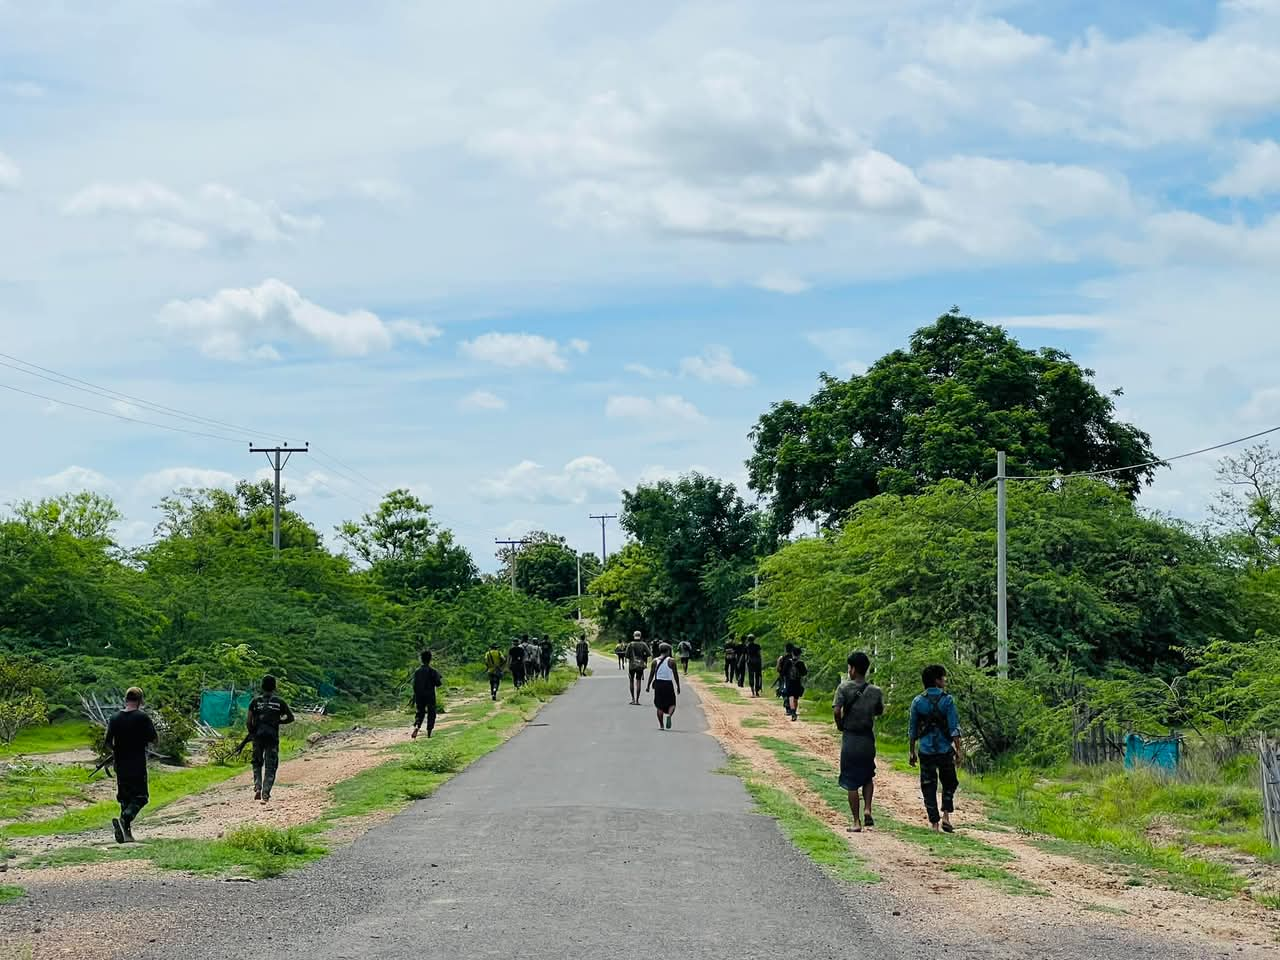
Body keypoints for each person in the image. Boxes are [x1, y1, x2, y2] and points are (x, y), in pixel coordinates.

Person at [833, 651, 884, 832]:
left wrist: (840, 725)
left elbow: (837, 711)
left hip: (851, 738)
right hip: (867, 738)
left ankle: (856, 821)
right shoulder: (876, 691)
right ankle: (868, 809)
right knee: (868, 774)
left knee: (850, 781)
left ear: (853, 669)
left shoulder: (844, 688)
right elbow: (879, 711)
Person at [909, 663, 963, 833]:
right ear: (937, 680)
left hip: (925, 750)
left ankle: (934, 823)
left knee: (928, 786)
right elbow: (954, 728)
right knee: (950, 782)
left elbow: (912, 729)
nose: (945, 680)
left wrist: (911, 751)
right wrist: (959, 750)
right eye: (943, 677)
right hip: (944, 749)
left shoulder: (917, 702)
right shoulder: (947, 700)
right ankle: (946, 814)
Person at [104, 686, 157, 843]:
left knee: (125, 799)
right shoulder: (142, 718)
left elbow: (107, 742)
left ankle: (126, 834)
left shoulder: (114, 718)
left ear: (126, 700)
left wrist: (116, 752)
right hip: (137, 764)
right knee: (141, 797)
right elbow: (154, 739)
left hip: (120, 765)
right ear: (140, 701)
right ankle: (125, 819)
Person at [247, 674, 295, 802]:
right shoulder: (280, 703)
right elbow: (291, 718)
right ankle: (266, 793)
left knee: (257, 762)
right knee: (271, 765)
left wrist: (252, 734)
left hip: (257, 737)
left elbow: (249, 721)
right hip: (272, 737)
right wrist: (278, 722)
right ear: (274, 687)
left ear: (262, 686)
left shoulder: (255, 702)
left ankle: (257, 787)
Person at [646, 642, 681, 730]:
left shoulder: (654, 661)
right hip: (668, 684)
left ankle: (661, 725)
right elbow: (675, 674)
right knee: (672, 703)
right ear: (668, 650)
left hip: (658, 684)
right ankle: (669, 715)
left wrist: (648, 685)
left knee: (659, 705)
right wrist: (678, 686)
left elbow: (651, 674)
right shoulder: (672, 661)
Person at [411, 651, 443, 740]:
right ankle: (429, 732)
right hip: (430, 695)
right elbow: (438, 684)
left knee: (420, 712)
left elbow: (414, 685)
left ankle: (417, 726)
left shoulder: (417, 671)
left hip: (419, 695)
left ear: (421, 659)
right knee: (431, 713)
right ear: (430, 659)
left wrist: (415, 696)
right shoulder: (433, 671)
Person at [626, 630, 651, 705]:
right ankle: (637, 700)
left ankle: (633, 699)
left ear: (634, 636)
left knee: (631, 681)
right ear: (640, 636)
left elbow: (626, 655)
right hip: (640, 665)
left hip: (632, 665)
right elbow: (649, 654)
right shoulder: (643, 644)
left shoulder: (630, 644)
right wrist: (642, 657)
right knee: (638, 681)